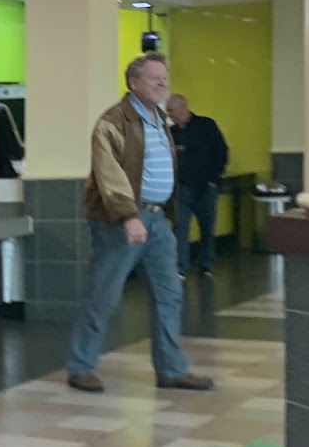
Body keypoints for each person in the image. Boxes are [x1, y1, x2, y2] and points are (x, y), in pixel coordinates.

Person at [66, 53, 213, 395]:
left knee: (169, 294)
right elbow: (108, 173)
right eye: (154, 77)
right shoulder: (113, 122)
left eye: (164, 77)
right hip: (121, 221)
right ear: (133, 83)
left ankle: (171, 370)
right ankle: (80, 367)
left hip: (157, 219)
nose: (163, 83)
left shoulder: (160, 119)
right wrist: (128, 216)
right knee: (103, 295)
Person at [167, 94, 229, 279]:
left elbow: (221, 151)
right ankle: (180, 267)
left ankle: (205, 263)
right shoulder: (171, 133)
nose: (170, 115)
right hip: (182, 188)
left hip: (206, 187)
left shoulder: (206, 125)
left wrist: (213, 178)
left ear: (183, 107)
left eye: (172, 110)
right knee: (180, 227)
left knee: (207, 227)